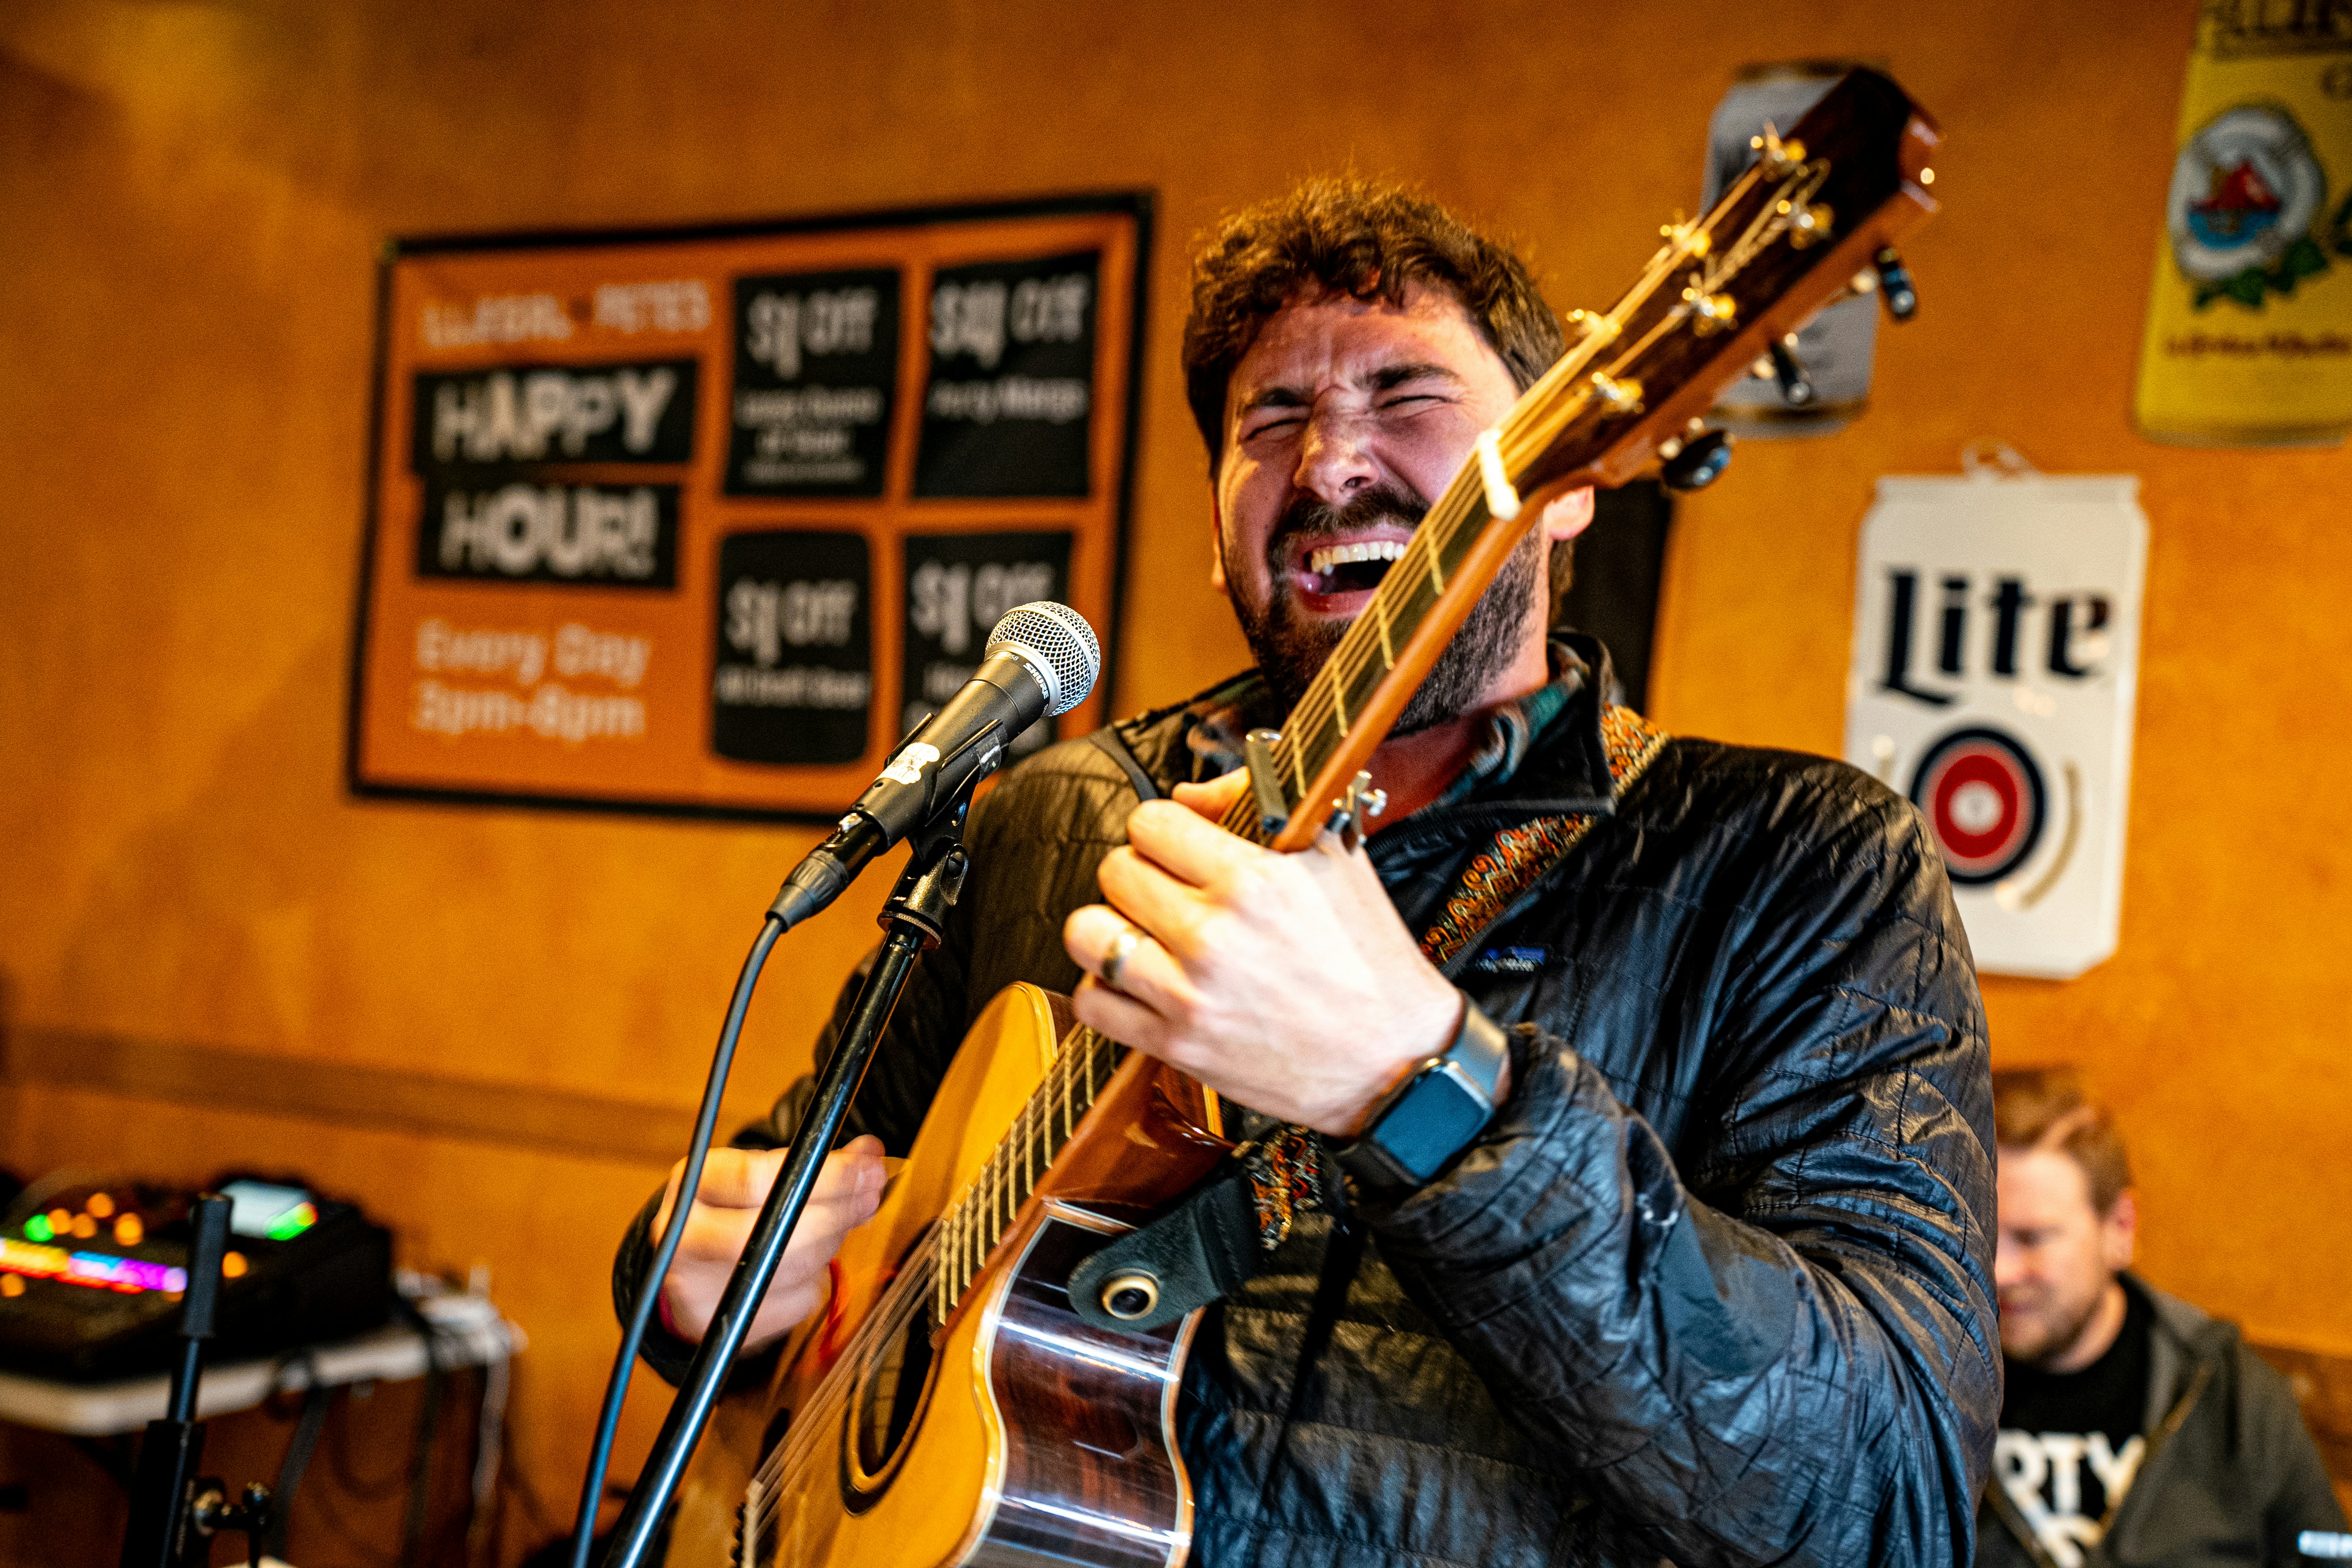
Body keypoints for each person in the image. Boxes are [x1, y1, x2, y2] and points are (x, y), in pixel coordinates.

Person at [615, 177, 2000, 1565]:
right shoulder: (1057, 815)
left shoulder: (1809, 864)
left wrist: (1426, 1085)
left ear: (1571, 477)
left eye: (1407, 394)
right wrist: (690, 1282)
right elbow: (809, 1194)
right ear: (1215, 516)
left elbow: (1890, 1498)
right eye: (1271, 418)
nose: (1331, 464)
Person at [1979, 1067, 2345, 1568]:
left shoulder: (2229, 1392)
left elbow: (2327, 1554)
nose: (1999, 1271)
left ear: (2119, 1228)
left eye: (2033, 1238)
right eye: (1982, 1235)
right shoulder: (1926, 1383)